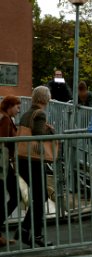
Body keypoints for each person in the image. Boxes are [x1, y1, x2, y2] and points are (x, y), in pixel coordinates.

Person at [15, 86, 55, 247]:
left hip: (22, 159)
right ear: (44, 99)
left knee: (40, 196)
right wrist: (50, 131)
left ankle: (25, 231)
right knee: (41, 197)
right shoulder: (40, 114)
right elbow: (39, 135)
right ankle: (34, 234)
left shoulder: (26, 113)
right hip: (33, 160)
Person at [0, 95, 21, 246]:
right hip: (3, 165)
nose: (19, 110)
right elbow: (5, 142)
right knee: (14, 196)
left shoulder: (5, 118)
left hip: (4, 165)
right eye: (17, 107)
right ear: (10, 106)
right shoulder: (5, 119)